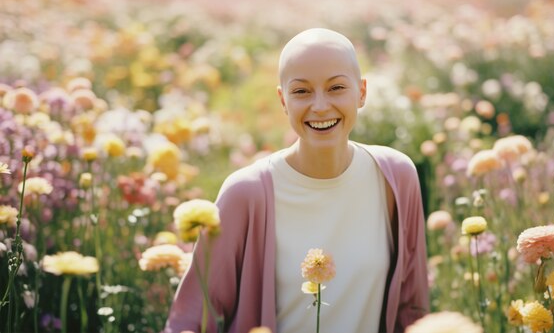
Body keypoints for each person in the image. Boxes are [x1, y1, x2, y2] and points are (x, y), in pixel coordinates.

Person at [164, 28, 429, 333]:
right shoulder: (246, 193)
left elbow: (414, 310)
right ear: (283, 100)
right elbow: (190, 320)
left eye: (336, 88)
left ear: (362, 92)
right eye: (302, 91)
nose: (319, 106)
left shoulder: (395, 177)